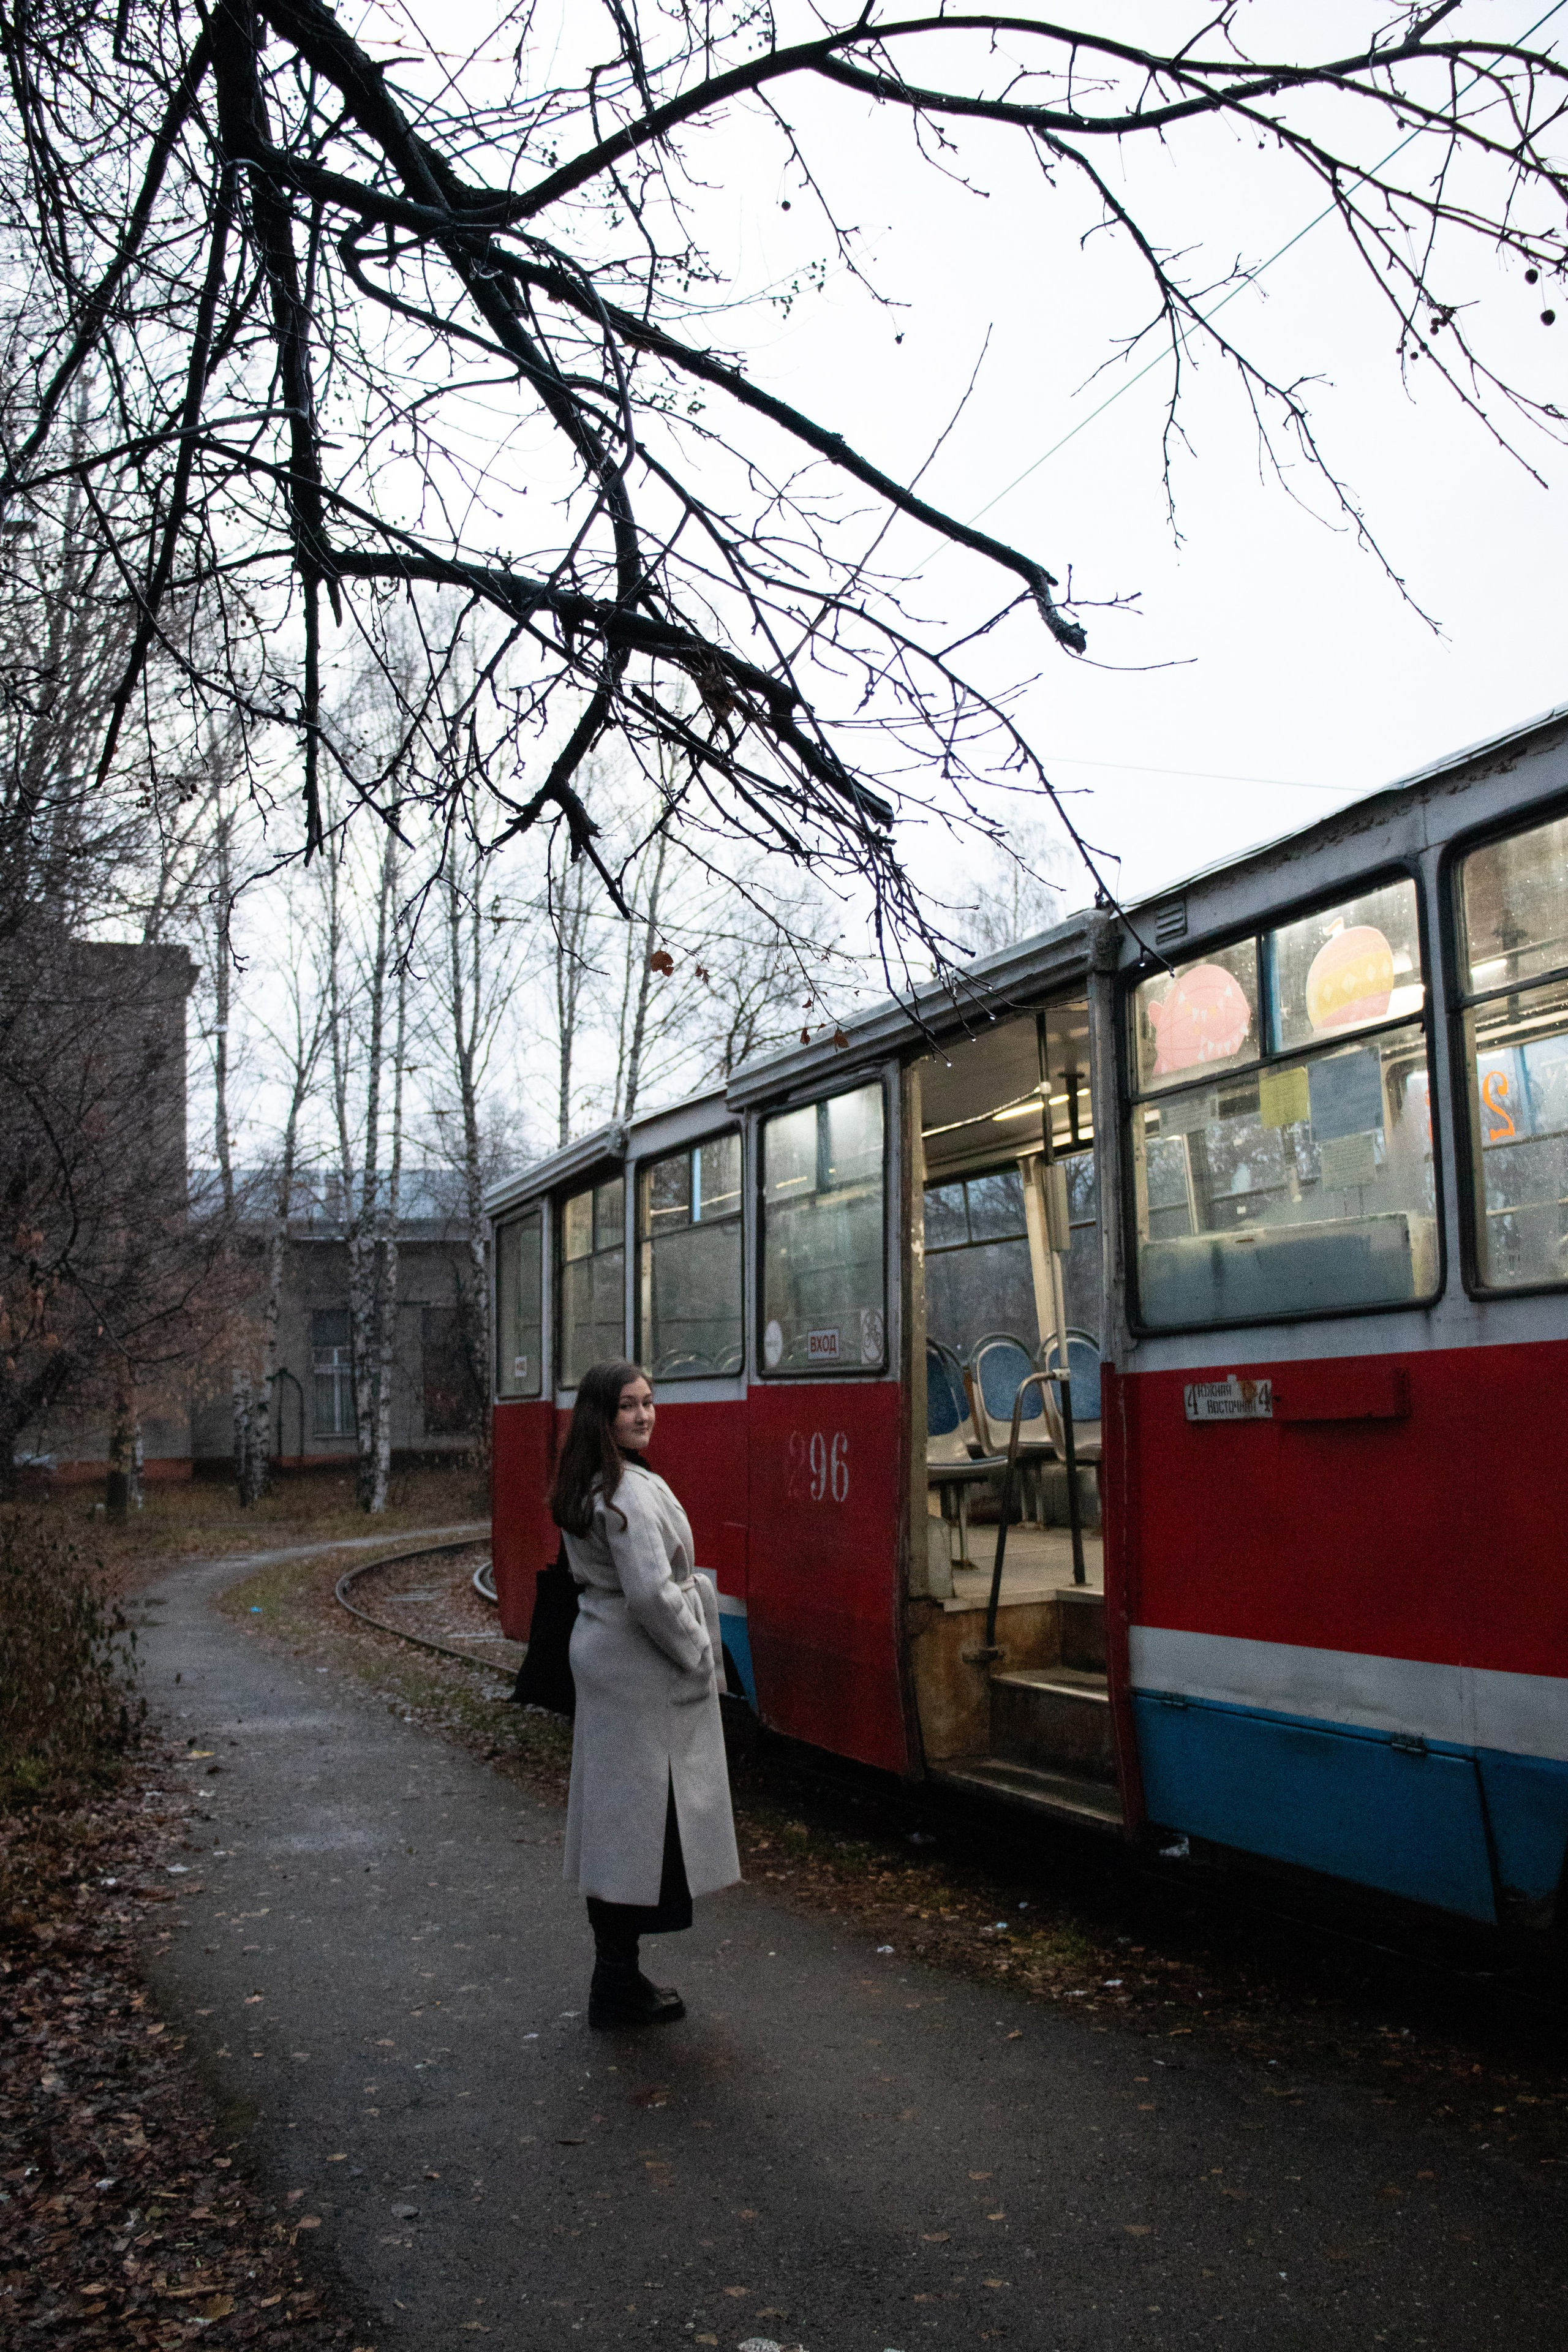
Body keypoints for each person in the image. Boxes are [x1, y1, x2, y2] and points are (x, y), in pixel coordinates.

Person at [549, 1359, 741, 2028]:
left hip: (606, 1657)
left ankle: (615, 1975)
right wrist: (697, 1652)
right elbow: (652, 1594)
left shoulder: (592, 1482)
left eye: (649, 1402)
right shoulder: (627, 1490)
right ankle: (617, 1984)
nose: (644, 1415)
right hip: (641, 1669)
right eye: (628, 1406)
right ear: (603, 1416)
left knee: (614, 1824)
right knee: (638, 1830)